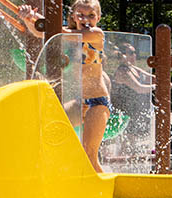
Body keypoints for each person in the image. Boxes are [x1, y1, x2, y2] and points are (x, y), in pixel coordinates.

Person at [18, 0, 110, 172]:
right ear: (73, 16)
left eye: (91, 15)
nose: (86, 19)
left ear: (98, 17)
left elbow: (57, 31)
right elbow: (42, 33)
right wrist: (28, 19)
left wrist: (37, 17)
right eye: (80, 15)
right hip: (79, 102)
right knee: (45, 131)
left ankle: (106, 186)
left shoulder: (96, 34)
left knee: (89, 154)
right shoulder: (69, 35)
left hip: (97, 102)